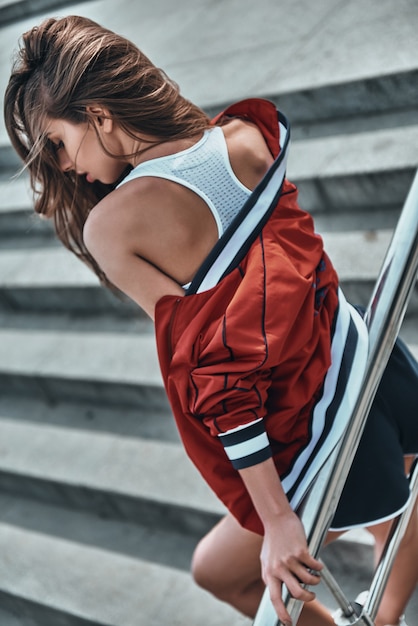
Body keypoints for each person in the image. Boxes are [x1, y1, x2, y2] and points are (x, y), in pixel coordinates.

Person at [4, 15, 418, 626]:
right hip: (372, 364)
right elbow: (296, 278)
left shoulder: (115, 226)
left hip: (307, 432)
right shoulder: (246, 137)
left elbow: (216, 376)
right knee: (381, 500)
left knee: (219, 571)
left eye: (57, 144)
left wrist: (277, 520)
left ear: (98, 115)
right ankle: (385, 611)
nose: (62, 168)